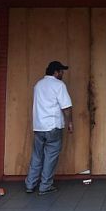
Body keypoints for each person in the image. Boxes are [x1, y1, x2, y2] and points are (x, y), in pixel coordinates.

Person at [24, 61, 74, 196]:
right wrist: (70, 122)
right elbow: (66, 107)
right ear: (56, 72)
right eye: (61, 72)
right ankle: (45, 186)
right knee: (50, 157)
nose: (62, 74)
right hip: (52, 126)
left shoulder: (38, 85)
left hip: (39, 127)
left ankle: (30, 184)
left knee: (37, 155)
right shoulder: (59, 85)